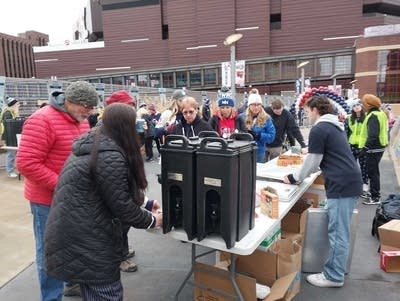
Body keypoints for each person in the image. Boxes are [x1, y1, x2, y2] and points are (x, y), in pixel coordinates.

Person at [44, 103, 163, 301]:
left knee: (94, 291)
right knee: (108, 293)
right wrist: (152, 220)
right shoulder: (109, 154)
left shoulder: (97, 145)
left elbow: (113, 189)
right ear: (124, 126)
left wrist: (148, 203)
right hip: (87, 238)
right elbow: (121, 205)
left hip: (75, 232)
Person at [16, 81, 98, 301]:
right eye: (86, 107)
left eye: (92, 108)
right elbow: (26, 163)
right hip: (46, 201)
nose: (89, 112)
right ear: (71, 102)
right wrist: (64, 184)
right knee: (50, 253)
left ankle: (71, 283)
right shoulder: (41, 120)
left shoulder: (80, 120)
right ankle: (51, 297)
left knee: (74, 245)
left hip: (73, 197)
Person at [283, 95, 362, 288]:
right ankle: (333, 271)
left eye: (308, 111)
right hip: (348, 181)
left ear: (315, 109)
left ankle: (334, 276)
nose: (307, 115)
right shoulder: (334, 126)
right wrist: (309, 151)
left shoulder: (319, 128)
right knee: (339, 230)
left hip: (341, 185)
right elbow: (325, 152)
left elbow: (313, 161)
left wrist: (294, 177)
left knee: (338, 232)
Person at [359, 94, 389, 205]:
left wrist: (365, 148)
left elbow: (373, 135)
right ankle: (374, 193)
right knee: (373, 172)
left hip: (373, 148)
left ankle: (375, 197)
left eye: (363, 103)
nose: (362, 106)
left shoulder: (373, 116)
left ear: (368, 104)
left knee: (373, 173)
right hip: (379, 147)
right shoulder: (380, 113)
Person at [239, 92, 275, 163]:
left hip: (259, 153)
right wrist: (243, 135)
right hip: (243, 151)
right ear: (249, 105)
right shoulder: (241, 117)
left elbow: (271, 137)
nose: (256, 107)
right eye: (253, 105)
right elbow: (236, 133)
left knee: (258, 172)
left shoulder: (266, 118)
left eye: (258, 105)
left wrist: (259, 135)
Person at [344, 99, 369, 198]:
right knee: (351, 166)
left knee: (364, 167)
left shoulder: (367, 117)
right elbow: (346, 133)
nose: (356, 107)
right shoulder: (349, 118)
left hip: (363, 146)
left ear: (361, 106)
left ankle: (364, 186)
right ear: (352, 108)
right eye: (354, 106)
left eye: (358, 105)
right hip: (352, 145)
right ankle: (351, 184)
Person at [0, 96, 20, 177]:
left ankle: (13, 169)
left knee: (14, 152)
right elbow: (10, 125)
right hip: (7, 136)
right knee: (11, 153)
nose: (19, 105)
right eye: (17, 104)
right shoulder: (7, 113)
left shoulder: (12, 112)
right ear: (13, 105)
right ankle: (10, 171)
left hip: (12, 135)